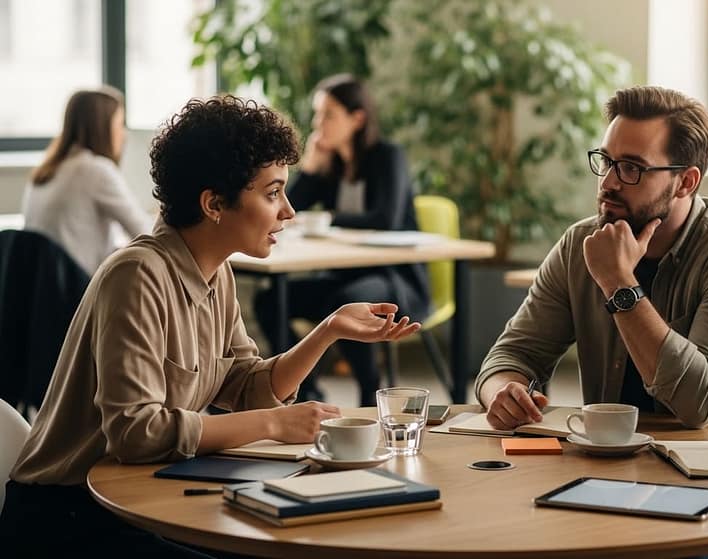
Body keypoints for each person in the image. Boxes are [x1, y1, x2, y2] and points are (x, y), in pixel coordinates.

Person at [0, 96, 420, 557]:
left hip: (140, 495)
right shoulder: (137, 275)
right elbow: (137, 433)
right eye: (273, 192)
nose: (289, 212)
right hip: (67, 516)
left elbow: (244, 385)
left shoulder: (216, 273)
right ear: (214, 203)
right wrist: (274, 424)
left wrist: (328, 330)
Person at [475, 86, 708, 430]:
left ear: (685, 182)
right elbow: (513, 355)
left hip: (707, 465)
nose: (609, 182)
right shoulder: (580, 243)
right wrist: (503, 391)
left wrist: (619, 284)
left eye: (631, 168)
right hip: (607, 458)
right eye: (606, 161)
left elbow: (701, 404)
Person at [254, 74, 429, 406]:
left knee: (345, 303)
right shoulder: (331, 164)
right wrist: (310, 168)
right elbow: (289, 209)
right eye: (317, 115)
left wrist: (330, 218)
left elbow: (385, 220)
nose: (319, 125)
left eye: (328, 115)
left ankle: (368, 393)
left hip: (395, 281)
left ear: (357, 118)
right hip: (339, 278)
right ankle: (305, 387)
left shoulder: (388, 157)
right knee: (270, 301)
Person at [22, 86, 151, 275]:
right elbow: (147, 234)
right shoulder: (95, 170)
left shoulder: (45, 170)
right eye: (119, 124)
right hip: (76, 291)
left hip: (41, 291)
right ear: (102, 127)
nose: (123, 135)